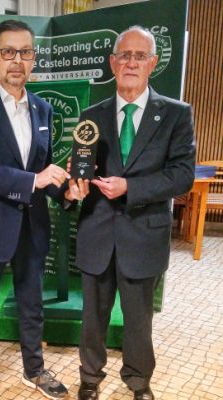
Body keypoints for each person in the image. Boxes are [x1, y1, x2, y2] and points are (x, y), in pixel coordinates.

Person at [0, 19, 79, 400]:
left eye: (25, 52)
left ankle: (34, 370)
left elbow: (42, 171)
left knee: (31, 305)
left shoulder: (42, 109)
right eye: (8, 51)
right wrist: (34, 180)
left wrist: (67, 191)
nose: (17, 60)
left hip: (31, 226)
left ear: (33, 59)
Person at [73, 26, 195, 400]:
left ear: (152, 63)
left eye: (139, 56)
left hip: (144, 233)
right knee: (93, 317)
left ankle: (139, 381)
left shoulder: (175, 114)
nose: (131, 62)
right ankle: (89, 378)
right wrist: (75, 183)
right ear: (112, 63)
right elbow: (82, 169)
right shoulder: (91, 116)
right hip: (97, 232)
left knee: (139, 319)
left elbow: (182, 175)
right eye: (124, 55)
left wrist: (131, 188)